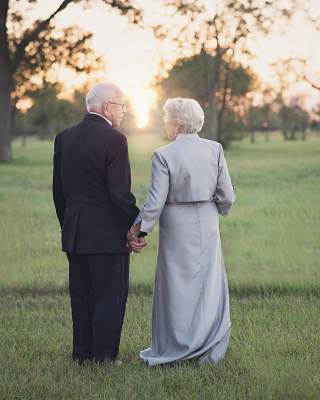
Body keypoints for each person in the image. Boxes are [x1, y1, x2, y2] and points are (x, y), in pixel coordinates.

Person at [128, 97, 235, 366]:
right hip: (208, 222)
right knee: (207, 285)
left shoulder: (163, 154)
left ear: (176, 123)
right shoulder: (215, 149)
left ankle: (177, 347)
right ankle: (207, 346)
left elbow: (154, 202)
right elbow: (228, 196)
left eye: (166, 118)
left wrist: (139, 232)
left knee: (177, 287)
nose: (164, 123)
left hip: (176, 223)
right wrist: (215, 209)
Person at [52, 82, 146, 365]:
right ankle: (104, 357)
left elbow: (59, 192)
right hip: (106, 236)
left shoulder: (63, 138)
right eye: (121, 105)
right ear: (107, 107)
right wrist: (137, 228)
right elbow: (119, 195)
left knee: (80, 295)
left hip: (75, 232)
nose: (124, 111)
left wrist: (68, 225)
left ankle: (82, 354)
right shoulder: (115, 140)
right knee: (109, 297)